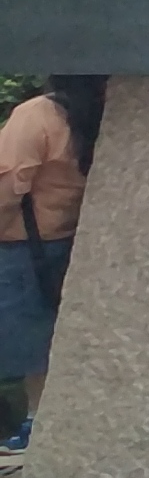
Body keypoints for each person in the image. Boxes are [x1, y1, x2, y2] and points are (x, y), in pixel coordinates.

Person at [0, 75, 101, 454]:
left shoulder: (37, 115)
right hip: (67, 241)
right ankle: (39, 425)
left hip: (18, 245)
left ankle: (33, 427)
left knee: (25, 344)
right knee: (47, 345)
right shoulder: (98, 116)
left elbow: (8, 180)